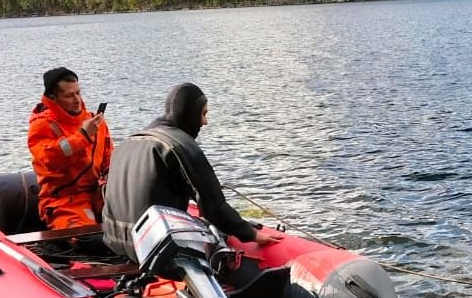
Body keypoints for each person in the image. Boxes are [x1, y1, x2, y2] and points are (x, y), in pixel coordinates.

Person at [102, 82, 281, 261]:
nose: (205, 122)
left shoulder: (126, 143)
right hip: (151, 248)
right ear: (189, 114)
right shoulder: (179, 145)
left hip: (115, 244)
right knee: (215, 233)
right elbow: (214, 206)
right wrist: (250, 234)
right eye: (203, 114)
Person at [27, 67, 113, 230]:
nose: (77, 100)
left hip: (98, 193)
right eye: (69, 96)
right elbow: (50, 159)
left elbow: (108, 154)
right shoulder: (42, 125)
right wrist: (83, 136)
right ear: (53, 99)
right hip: (64, 200)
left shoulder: (93, 121)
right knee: (86, 237)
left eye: (78, 93)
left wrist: (113, 175)